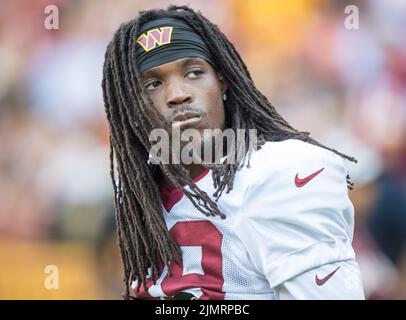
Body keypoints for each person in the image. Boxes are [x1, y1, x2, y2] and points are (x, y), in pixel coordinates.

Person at [101, 5, 364, 299]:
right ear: (130, 106)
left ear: (222, 80)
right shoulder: (140, 194)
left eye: (194, 72)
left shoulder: (278, 173)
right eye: (153, 84)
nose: (177, 95)